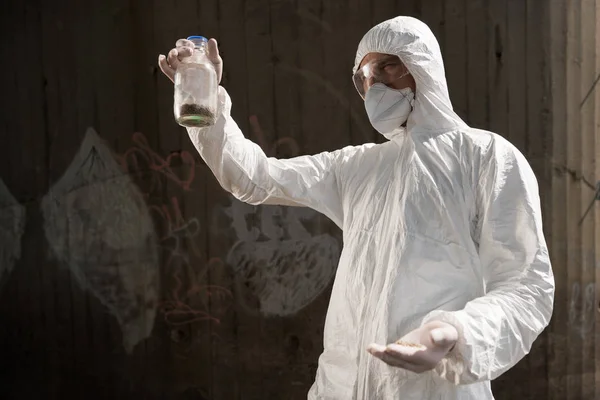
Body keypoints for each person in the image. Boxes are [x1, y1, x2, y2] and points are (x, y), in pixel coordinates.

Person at [158, 16, 554, 400]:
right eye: (364, 77)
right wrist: (204, 103)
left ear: (424, 66)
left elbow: (526, 287)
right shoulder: (357, 167)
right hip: (341, 387)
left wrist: (455, 333)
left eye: (388, 66)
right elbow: (254, 177)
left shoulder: (485, 157)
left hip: (433, 389)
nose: (375, 83)